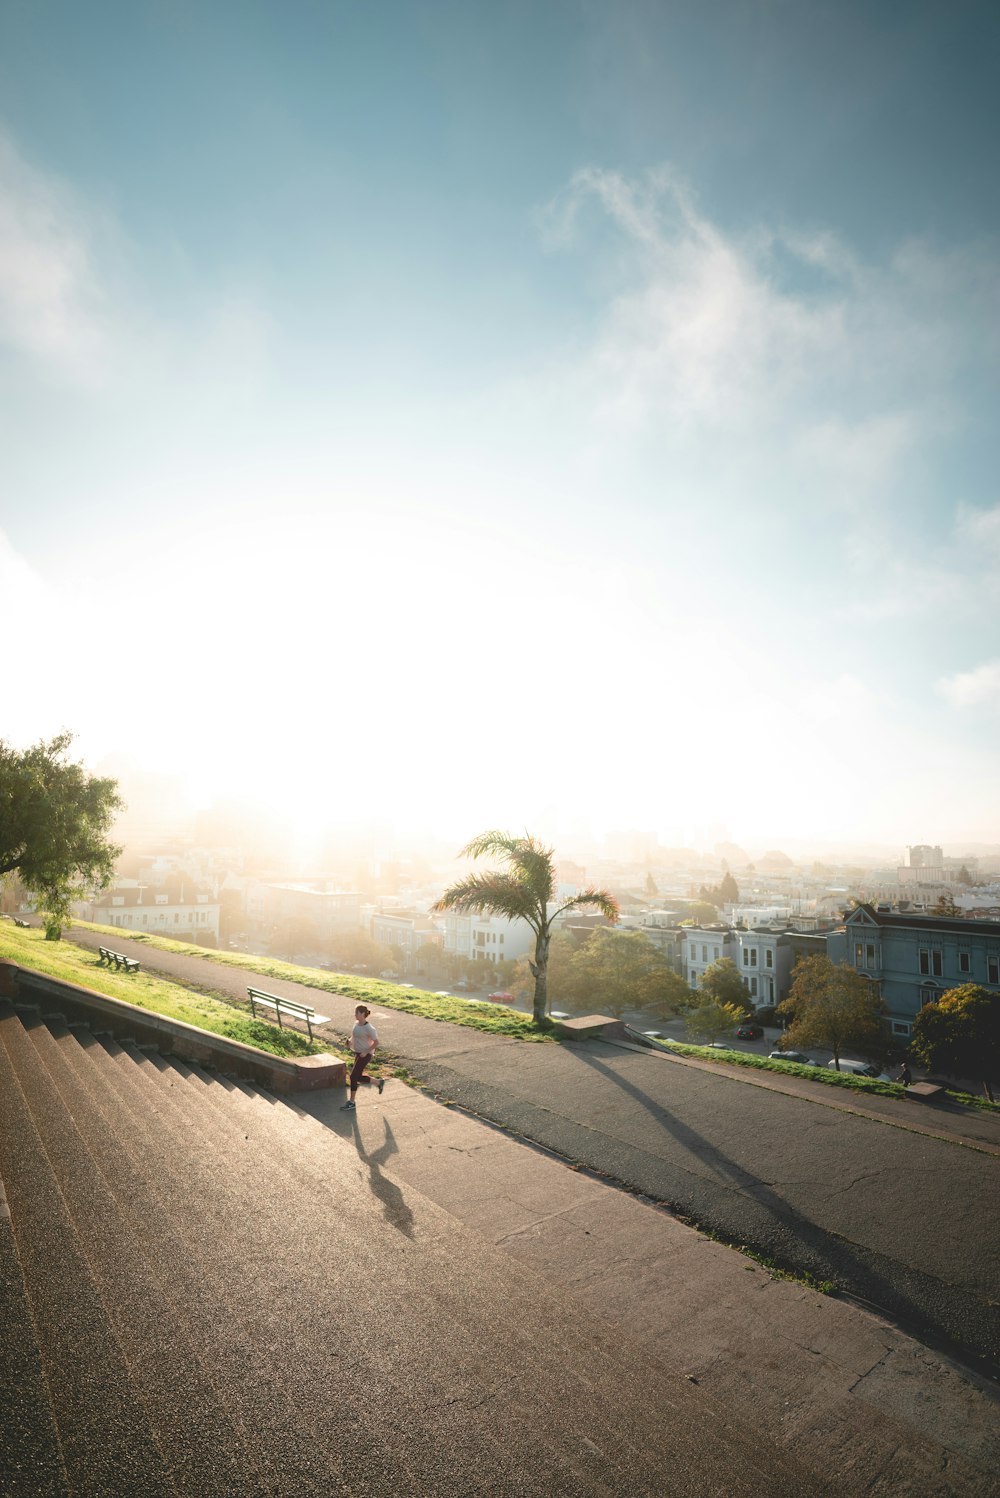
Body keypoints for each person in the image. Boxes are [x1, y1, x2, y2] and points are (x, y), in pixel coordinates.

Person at [341, 1004, 384, 1110]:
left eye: (357, 1013)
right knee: (357, 1076)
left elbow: (376, 1042)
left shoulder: (369, 1028)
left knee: (353, 1077)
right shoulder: (356, 1024)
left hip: (365, 1055)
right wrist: (349, 1042)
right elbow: (354, 1036)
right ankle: (378, 1082)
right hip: (358, 1053)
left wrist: (366, 1051)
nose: (355, 1015)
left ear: (363, 1014)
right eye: (355, 1012)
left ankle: (351, 1102)